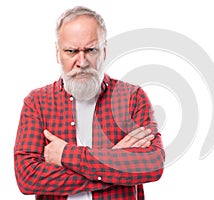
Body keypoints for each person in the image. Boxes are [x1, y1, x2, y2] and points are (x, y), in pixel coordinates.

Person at [14, 6, 165, 200]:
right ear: (57, 52)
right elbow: (28, 178)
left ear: (104, 51)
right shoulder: (37, 102)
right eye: (71, 51)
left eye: (91, 50)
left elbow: (153, 164)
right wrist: (112, 163)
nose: (82, 61)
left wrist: (66, 155)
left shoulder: (132, 97)